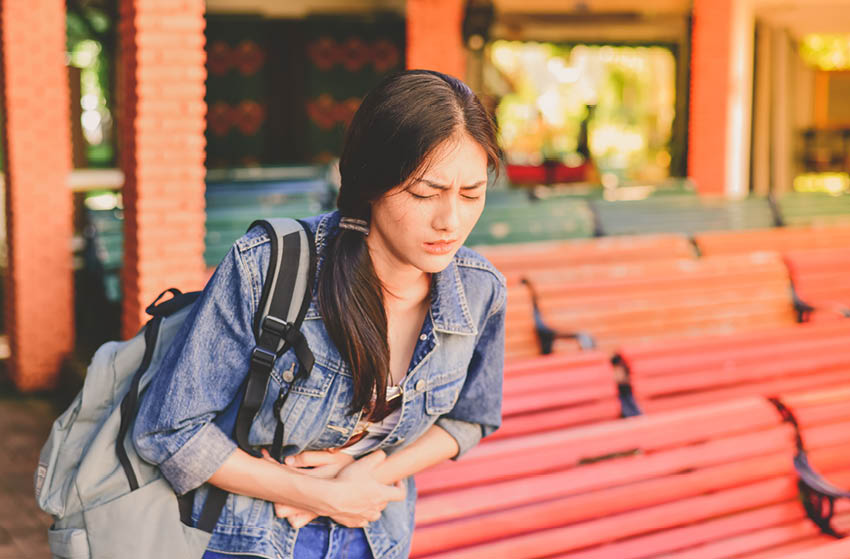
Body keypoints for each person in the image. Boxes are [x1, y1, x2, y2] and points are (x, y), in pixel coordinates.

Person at [133, 69, 506, 559]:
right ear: (370, 181)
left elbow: (471, 419)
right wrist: (320, 494)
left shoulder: (479, 290)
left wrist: (368, 474)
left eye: (471, 194)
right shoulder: (267, 266)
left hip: (376, 535)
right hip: (244, 538)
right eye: (424, 193)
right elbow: (168, 431)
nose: (450, 221)